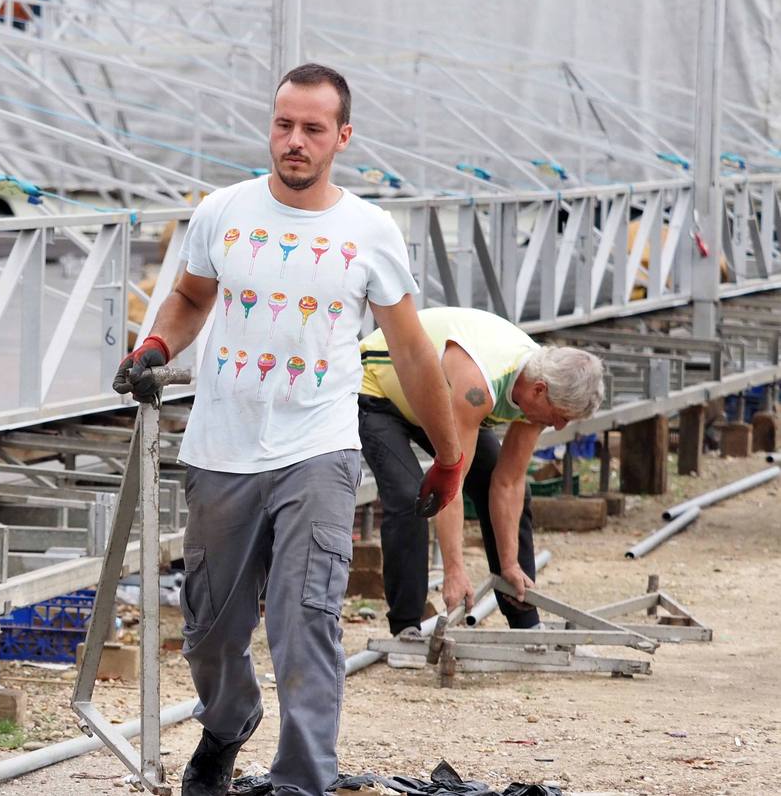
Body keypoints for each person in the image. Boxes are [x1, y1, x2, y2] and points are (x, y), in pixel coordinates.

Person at [114, 64, 465, 796]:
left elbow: (410, 351)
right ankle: (227, 721)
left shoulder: (367, 231)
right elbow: (188, 296)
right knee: (209, 627)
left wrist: (449, 456)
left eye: (311, 129)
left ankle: (301, 780)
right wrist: (154, 347)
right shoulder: (223, 212)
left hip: (318, 448)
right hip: (220, 447)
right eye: (283, 125)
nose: (294, 142)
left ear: (342, 136)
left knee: (306, 618)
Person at [357, 307, 605, 632]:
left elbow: (508, 483)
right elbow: (451, 482)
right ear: (539, 390)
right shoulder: (480, 387)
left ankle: (524, 617)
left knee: (510, 490)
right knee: (407, 498)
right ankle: (406, 627)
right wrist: (454, 570)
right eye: (560, 416)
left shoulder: (539, 396)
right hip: (380, 388)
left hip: (435, 400)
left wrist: (510, 563)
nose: (559, 426)